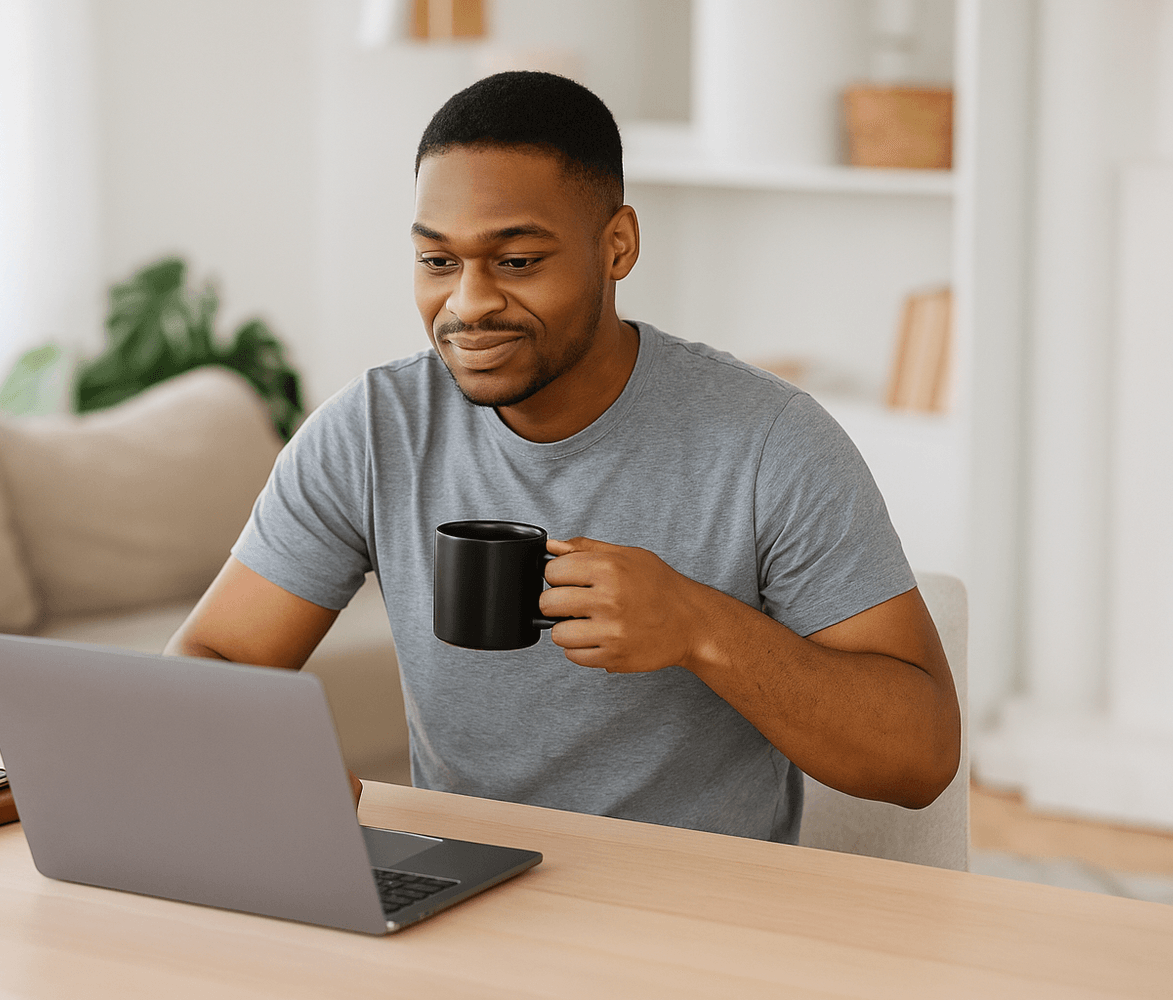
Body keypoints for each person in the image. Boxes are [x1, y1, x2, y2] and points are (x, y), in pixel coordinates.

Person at [167, 71, 960, 843]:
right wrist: (274, 768)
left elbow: (919, 758)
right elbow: (218, 652)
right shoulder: (373, 430)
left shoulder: (770, 442)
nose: (468, 303)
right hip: (462, 899)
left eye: (516, 262)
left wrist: (699, 627)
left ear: (616, 246)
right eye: (438, 261)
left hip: (693, 928)